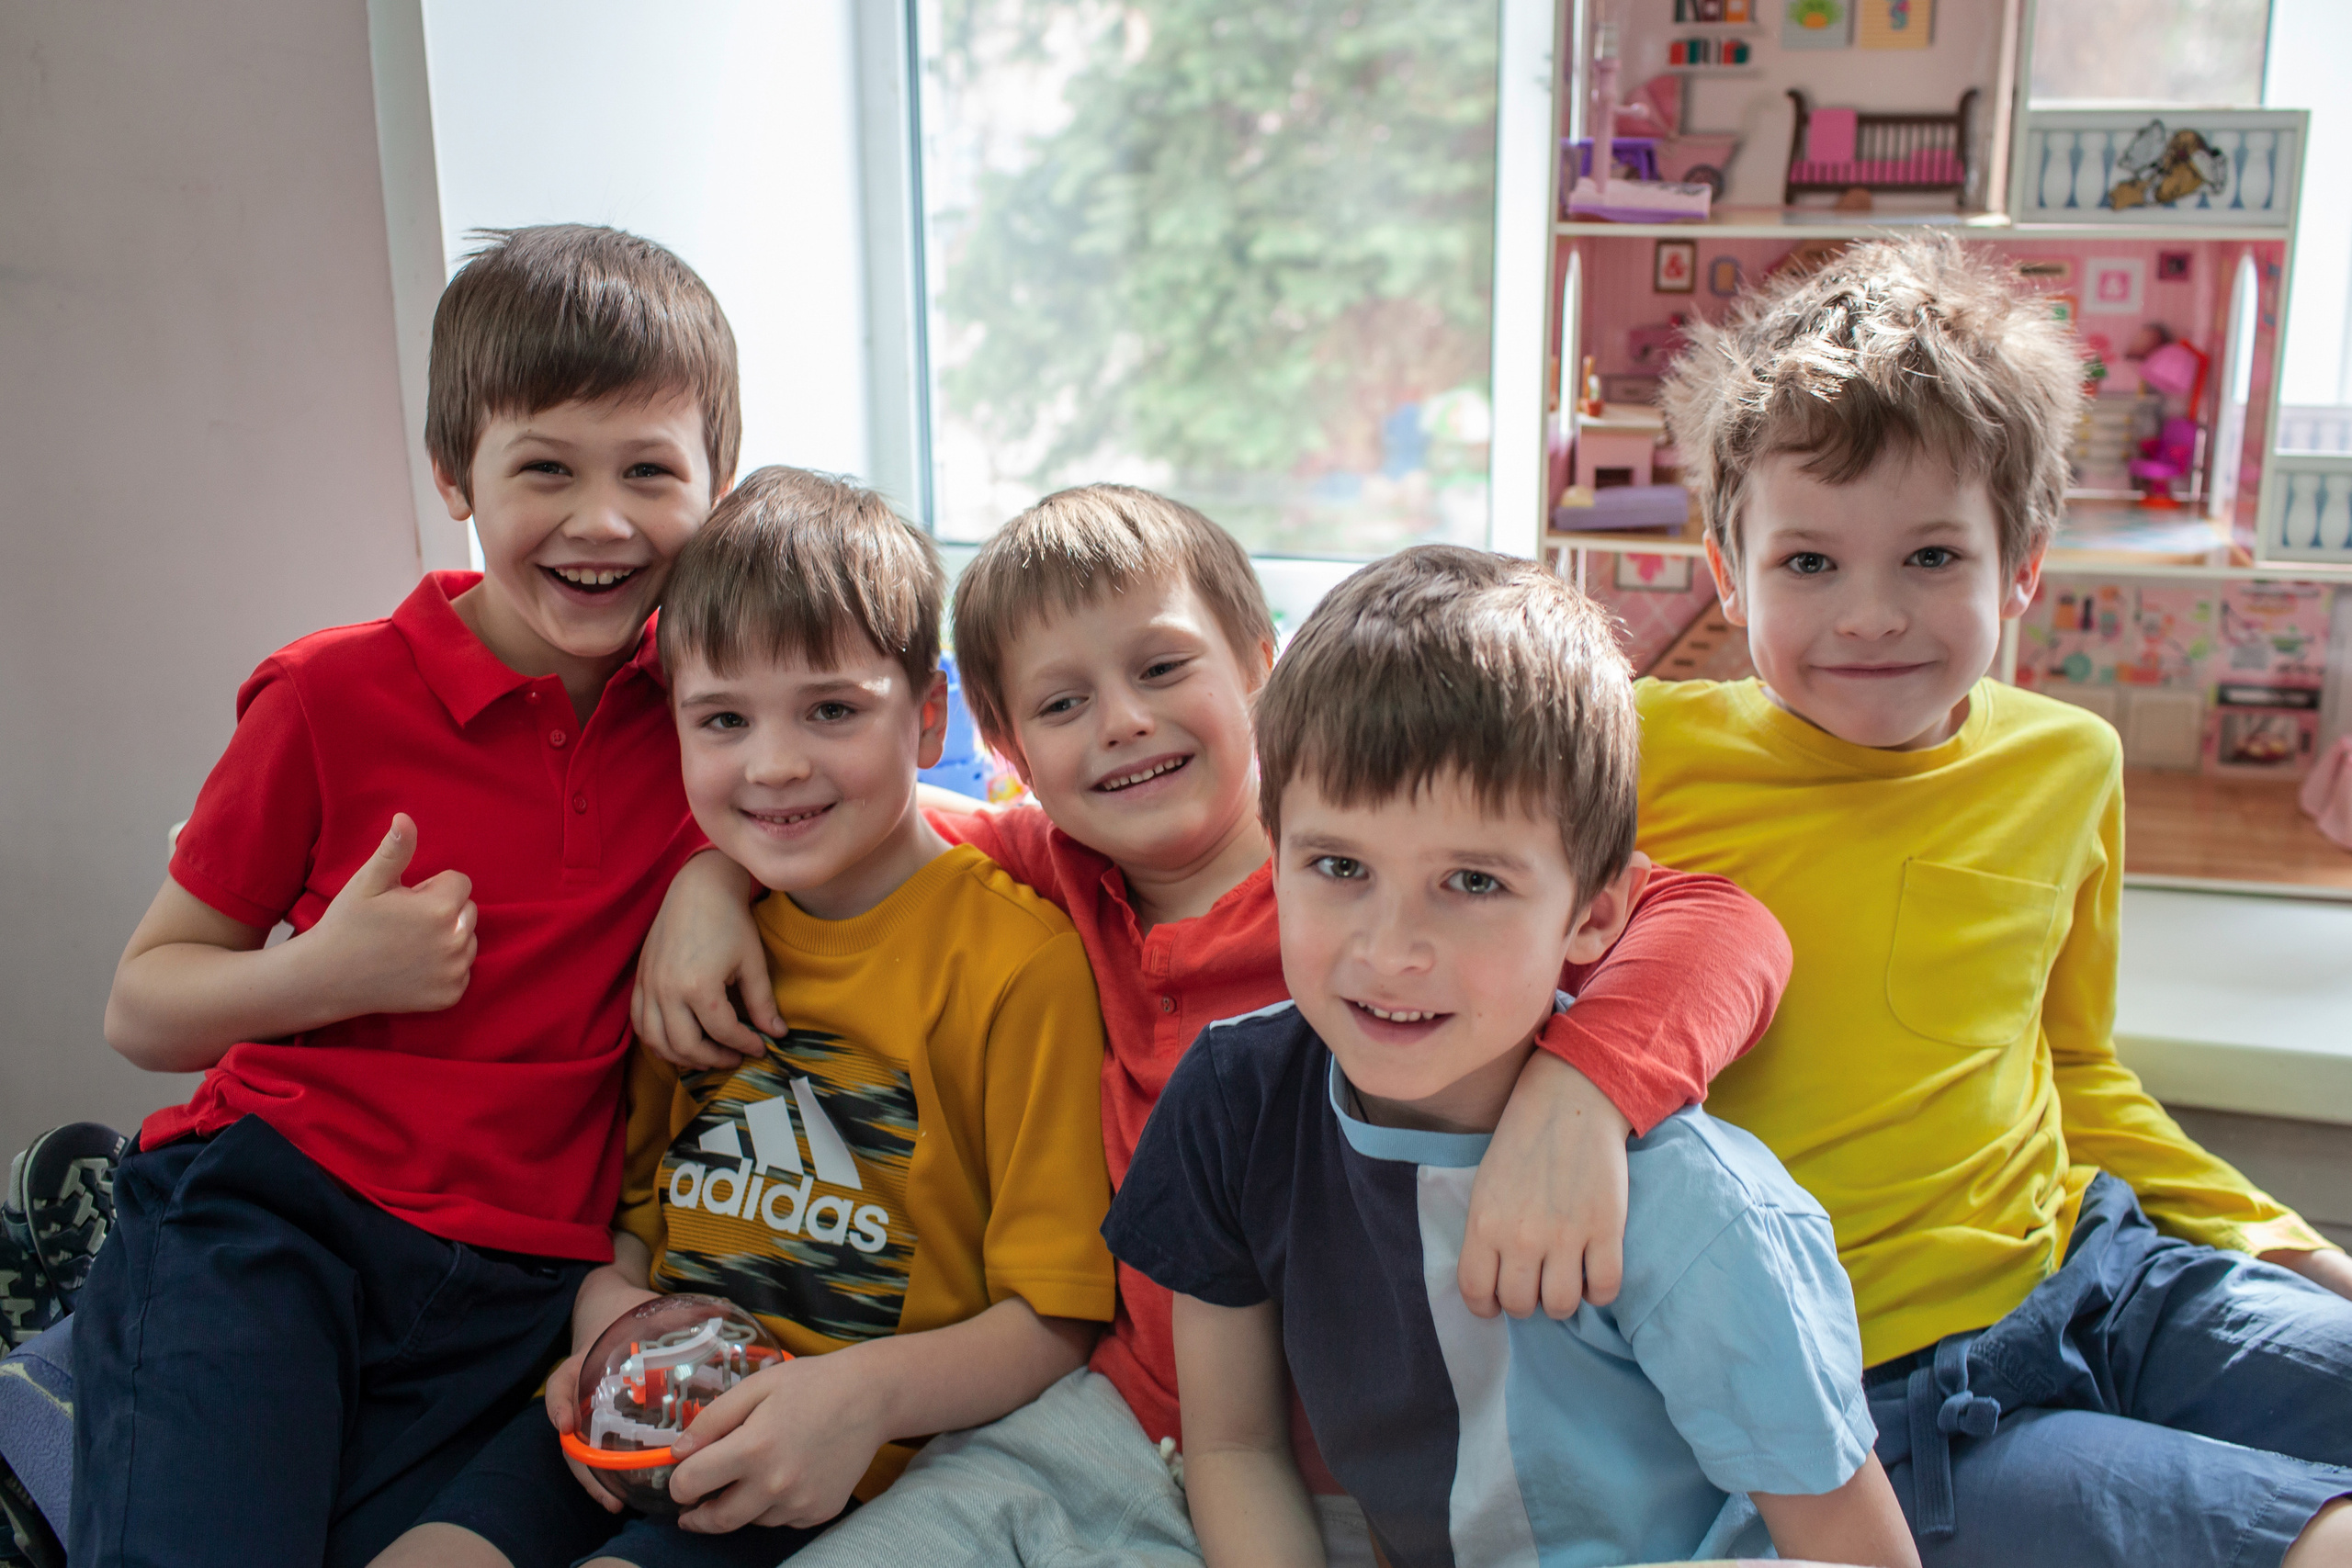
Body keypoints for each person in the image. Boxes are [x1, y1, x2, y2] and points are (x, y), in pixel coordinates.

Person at [641, 486, 1796, 1564]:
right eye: (1062, 704)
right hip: (1125, 1412)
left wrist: (1584, 1086)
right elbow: (858, 817)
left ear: (1259, 664)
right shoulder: (1049, 868)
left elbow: (1719, 920)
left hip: (1381, 1461)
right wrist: (709, 882)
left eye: (1160, 667)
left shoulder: (1382, 875)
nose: (1124, 724)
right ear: (1009, 750)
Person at [1647, 231, 2352, 1566]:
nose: (1868, 615)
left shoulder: (2067, 762)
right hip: (1885, 1398)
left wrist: (2295, 1245)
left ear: (2020, 563)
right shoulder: (1632, 753)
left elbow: (2075, 1067)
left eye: (1930, 556)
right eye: (1808, 562)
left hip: (2109, 1275)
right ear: (1727, 567)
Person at [73, 224, 741, 1568]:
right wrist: (328, 970)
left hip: (521, 1286)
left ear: (718, 484)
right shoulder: (330, 695)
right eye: (544, 467)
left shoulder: (720, 706)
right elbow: (144, 1004)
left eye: (650, 471)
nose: (601, 520)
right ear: (456, 474)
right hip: (275, 1216)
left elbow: (876, 800)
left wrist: (718, 871)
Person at [1103, 544, 1916, 1568]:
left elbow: (1858, 1556)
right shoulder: (1234, 1101)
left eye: (1473, 883)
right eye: (1339, 866)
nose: (1390, 949)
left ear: (1594, 914)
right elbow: (1228, 1441)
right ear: (1276, 858)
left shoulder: (1693, 1212)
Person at [374, 468, 1115, 1568]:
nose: (774, 764)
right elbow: (634, 1219)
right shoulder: (693, 942)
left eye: (831, 710)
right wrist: (604, 1321)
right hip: (632, 1407)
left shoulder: (1017, 967)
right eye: (723, 718)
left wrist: (855, 1400)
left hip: (827, 1464)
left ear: (926, 720)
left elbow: (1052, 1318)